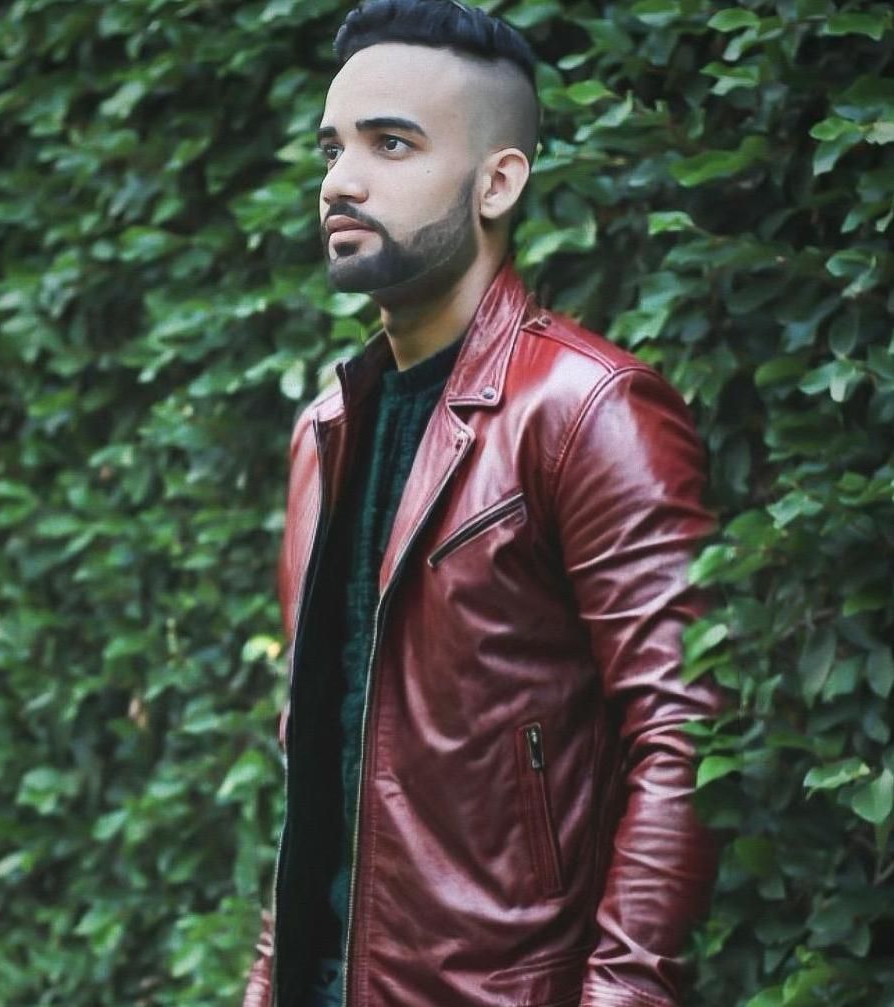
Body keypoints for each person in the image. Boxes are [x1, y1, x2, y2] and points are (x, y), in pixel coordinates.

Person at [242, 1, 721, 1005]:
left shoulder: (587, 409)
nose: (340, 181)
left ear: (498, 181)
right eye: (332, 147)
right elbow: (321, 749)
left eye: (391, 144)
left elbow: (683, 737)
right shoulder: (324, 431)